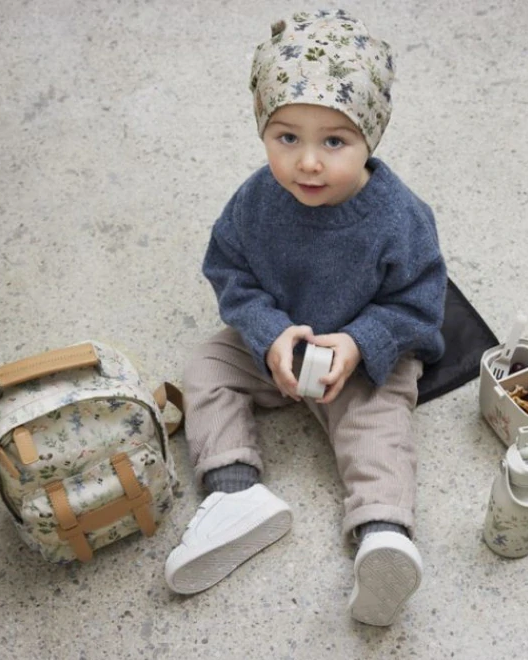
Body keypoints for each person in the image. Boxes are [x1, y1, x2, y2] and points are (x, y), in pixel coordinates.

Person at [165, 9, 447, 627]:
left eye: (334, 141)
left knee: (378, 426)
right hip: (280, 343)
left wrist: (361, 340)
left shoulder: (400, 218)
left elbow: (421, 302)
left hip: (362, 358)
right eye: (287, 137)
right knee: (207, 366)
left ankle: (382, 535)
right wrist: (268, 333)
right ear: (262, 126)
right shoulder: (255, 201)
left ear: (371, 136)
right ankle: (236, 492)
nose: (308, 163)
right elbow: (229, 271)